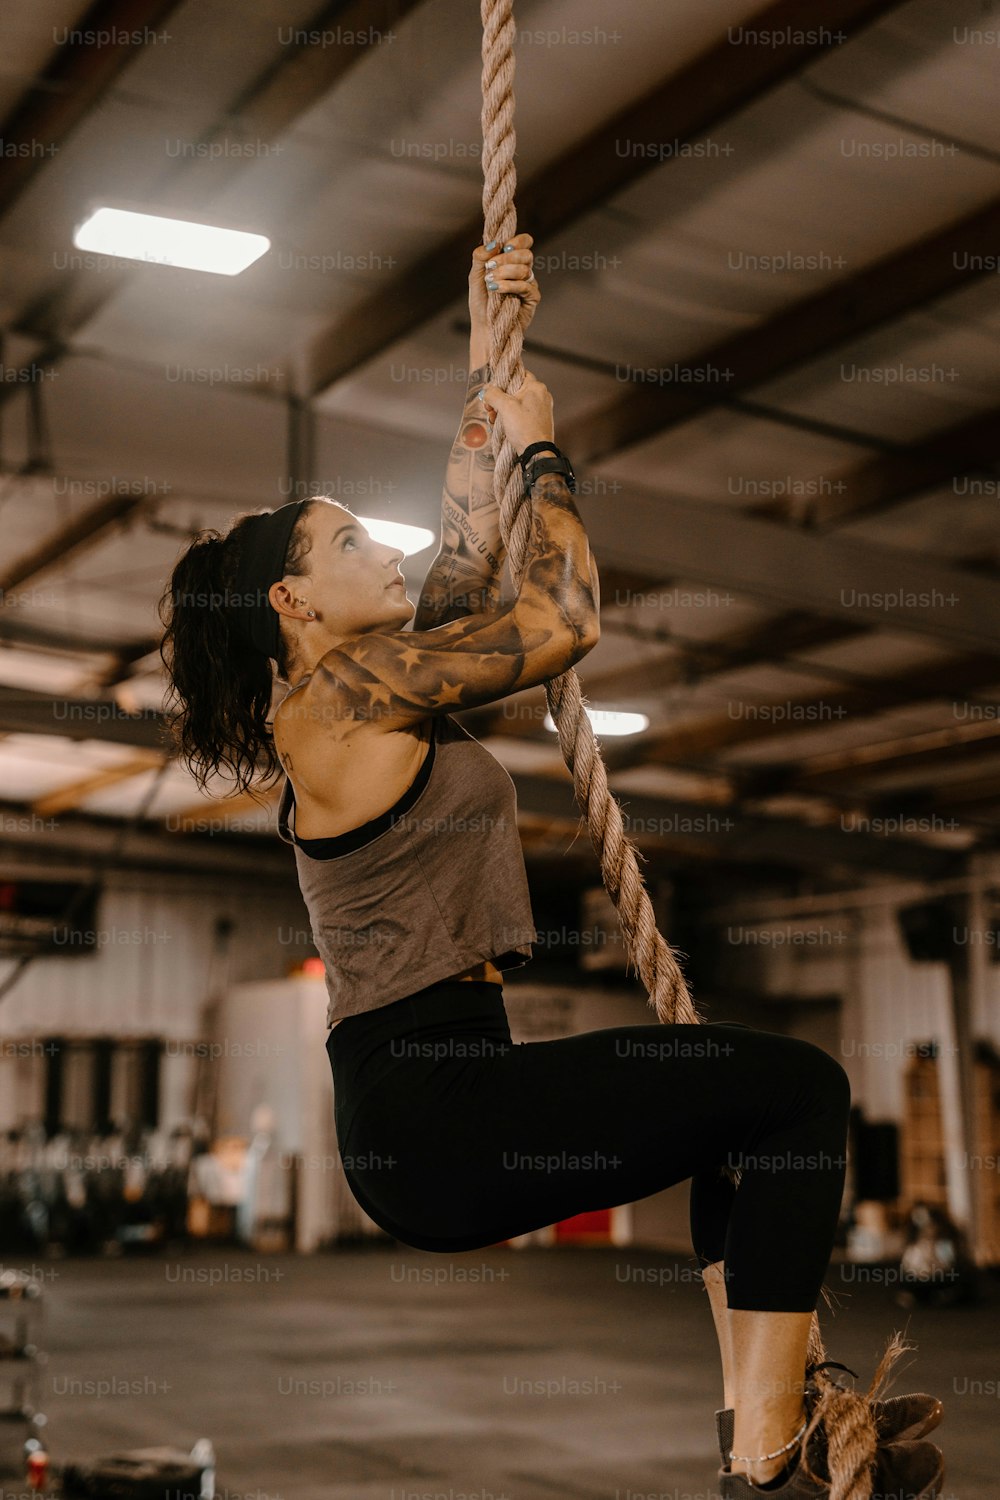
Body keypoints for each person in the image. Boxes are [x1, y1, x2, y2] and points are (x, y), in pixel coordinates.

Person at [159, 238, 944, 1498]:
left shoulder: (367, 698)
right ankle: (766, 1443)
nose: (386, 555)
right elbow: (560, 623)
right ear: (292, 604)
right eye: (352, 542)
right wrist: (542, 452)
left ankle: (766, 1430)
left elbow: (467, 575)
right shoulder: (344, 693)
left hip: (441, 1104)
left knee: (736, 1120)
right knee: (798, 1089)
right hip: (432, 1108)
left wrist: (486, 372)